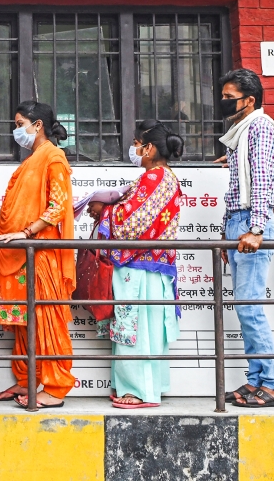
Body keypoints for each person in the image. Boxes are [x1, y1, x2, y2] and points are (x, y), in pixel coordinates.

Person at [88, 121, 183, 409]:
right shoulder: (165, 177)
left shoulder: (153, 178)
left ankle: (139, 391)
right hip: (151, 267)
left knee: (134, 330)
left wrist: (103, 211)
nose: (134, 148)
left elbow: (130, 224)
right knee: (146, 330)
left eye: (136, 143)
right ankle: (145, 386)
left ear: (149, 148)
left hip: (139, 267)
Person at [0, 100, 76, 409]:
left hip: (42, 256)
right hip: (21, 255)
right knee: (24, 321)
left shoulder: (53, 157)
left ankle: (55, 387)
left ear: (37, 125)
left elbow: (57, 207)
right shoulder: (33, 158)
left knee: (46, 319)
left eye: (19, 124)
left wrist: (25, 233)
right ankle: (27, 380)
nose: (17, 130)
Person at [218, 68, 274, 408]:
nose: (224, 102)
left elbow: (261, 182)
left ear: (249, 100)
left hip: (251, 222)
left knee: (250, 307)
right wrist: (226, 229)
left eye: (229, 97)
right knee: (245, 307)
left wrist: (256, 228)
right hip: (239, 222)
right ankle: (257, 379)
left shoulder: (259, 127)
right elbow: (237, 185)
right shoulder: (241, 132)